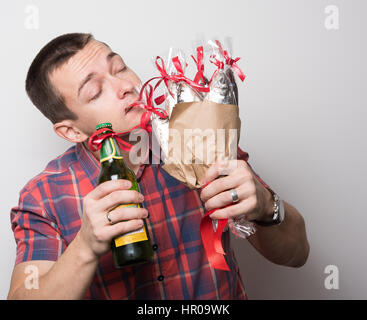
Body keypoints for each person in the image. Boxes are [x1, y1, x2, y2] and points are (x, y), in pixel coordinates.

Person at [8, 33, 309, 300]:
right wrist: (85, 246)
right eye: (95, 91)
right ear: (71, 132)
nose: (125, 86)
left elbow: (298, 254)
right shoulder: (44, 195)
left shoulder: (198, 138)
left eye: (120, 67)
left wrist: (265, 205)